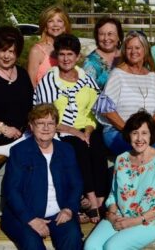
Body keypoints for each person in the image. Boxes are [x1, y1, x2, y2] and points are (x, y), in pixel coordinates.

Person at [34, 34, 107, 224]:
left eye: (70, 54)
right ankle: (91, 201)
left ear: (77, 57)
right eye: (62, 54)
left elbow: (94, 109)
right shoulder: (49, 81)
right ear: (57, 56)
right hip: (60, 130)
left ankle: (101, 198)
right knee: (79, 148)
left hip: (86, 127)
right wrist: (75, 131)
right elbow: (43, 115)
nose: (66, 59)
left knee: (98, 145)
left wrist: (89, 129)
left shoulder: (86, 79)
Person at [84, 111, 155, 250]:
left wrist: (133, 222)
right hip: (121, 214)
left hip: (151, 219)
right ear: (129, 135)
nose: (139, 138)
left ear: (151, 135)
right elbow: (113, 195)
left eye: (144, 133)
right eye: (135, 133)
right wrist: (113, 214)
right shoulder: (121, 159)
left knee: (113, 247)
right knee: (91, 246)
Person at [0, 104, 83, 250]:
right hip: (25, 215)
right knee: (31, 243)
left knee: (72, 236)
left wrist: (69, 209)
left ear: (56, 126)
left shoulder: (66, 150)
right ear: (31, 126)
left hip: (59, 214)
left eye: (50, 123)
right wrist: (30, 219)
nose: (46, 128)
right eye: (40, 123)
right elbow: (12, 190)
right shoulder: (19, 152)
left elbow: (76, 184)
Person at [95, 31, 155, 156]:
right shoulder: (117, 74)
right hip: (118, 131)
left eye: (137, 47)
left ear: (145, 50)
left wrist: (148, 130)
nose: (133, 51)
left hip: (145, 132)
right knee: (154, 152)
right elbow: (106, 109)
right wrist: (131, 132)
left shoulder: (152, 76)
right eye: (129, 48)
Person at [27, 5, 71, 87]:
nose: (55, 24)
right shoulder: (37, 51)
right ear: (45, 26)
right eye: (50, 21)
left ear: (65, 26)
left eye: (59, 21)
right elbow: (30, 83)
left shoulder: (70, 49)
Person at [83, 17, 123, 90]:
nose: (106, 38)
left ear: (119, 37)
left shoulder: (127, 57)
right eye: (102, 34)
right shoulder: (90, 62)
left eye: (110, 34)